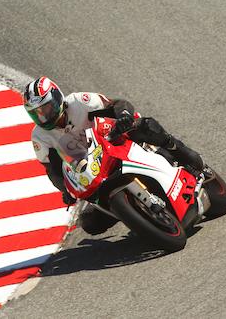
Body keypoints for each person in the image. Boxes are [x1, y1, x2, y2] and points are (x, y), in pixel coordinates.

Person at [23, 76, 205, 236]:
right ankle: (131, 212)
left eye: (47, 109)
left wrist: (124, 116)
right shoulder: (40, 137)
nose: (44, 116)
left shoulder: (79, 101)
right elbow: (52, 170)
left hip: (112, 140)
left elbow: (117, 104)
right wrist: (65, 190)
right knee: (89, 223)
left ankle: (174, 146)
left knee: (142, 126)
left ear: (57, 97)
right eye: (37, 114)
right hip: (91, 171)